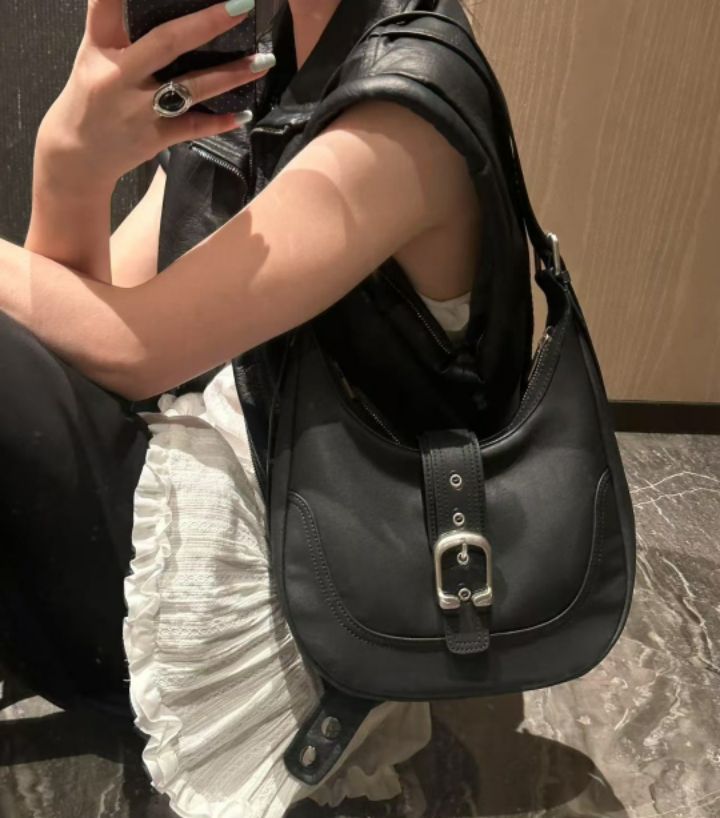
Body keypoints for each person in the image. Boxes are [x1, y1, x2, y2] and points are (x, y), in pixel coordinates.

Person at [0, 0, 491, 816]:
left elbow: (135, 348)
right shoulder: (261, 64)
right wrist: (71, 167)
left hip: (293, 623)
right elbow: (83, 336)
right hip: (198, 504)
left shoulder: (404, 106)